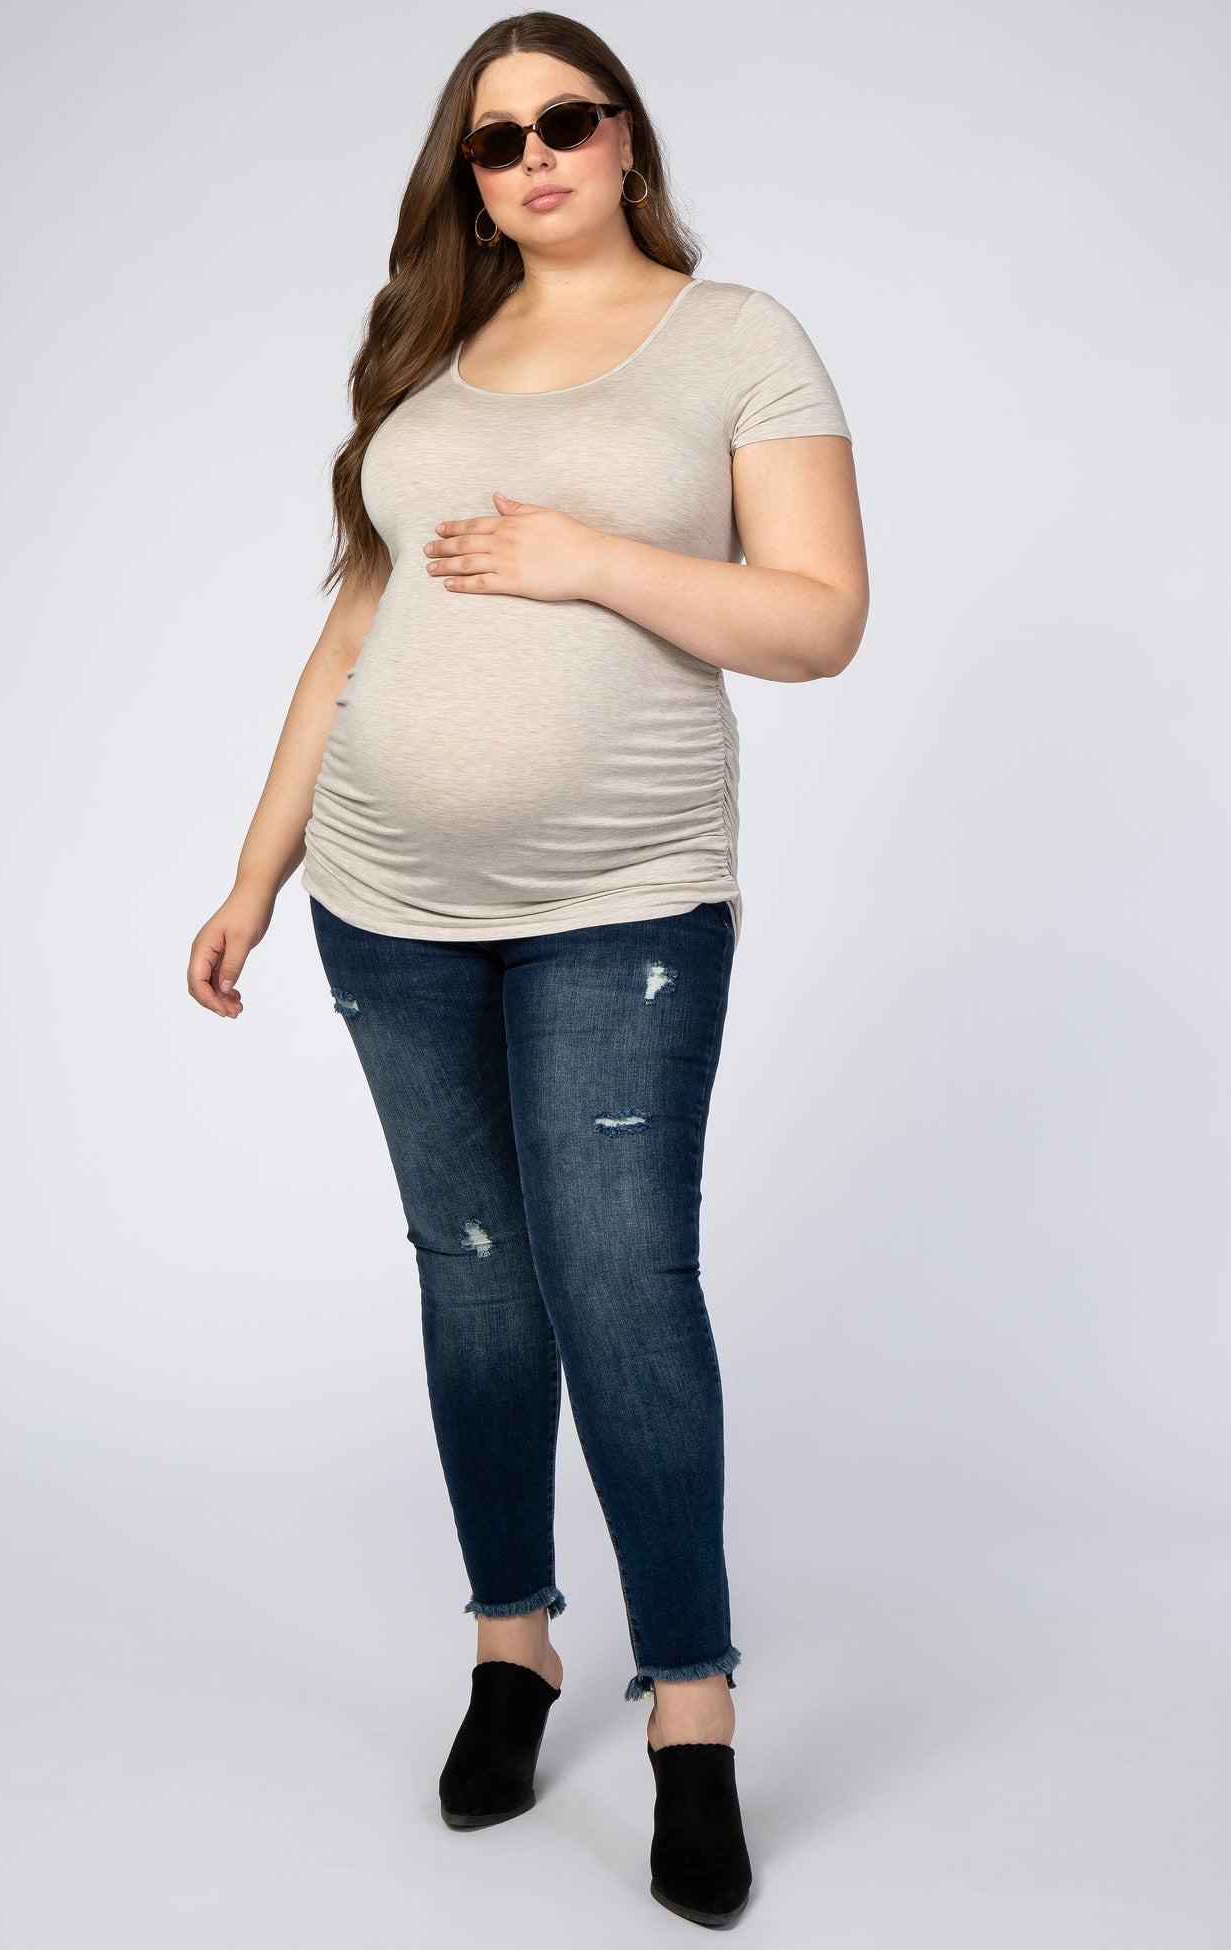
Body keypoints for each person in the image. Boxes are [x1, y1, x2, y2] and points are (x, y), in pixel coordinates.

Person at [187, 10, 868, 1928]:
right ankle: (513, 1645)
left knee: (623, 1290)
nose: (536, 156)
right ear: (467, 179)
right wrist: (255, 870)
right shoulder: (433, 354)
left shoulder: (737, 340)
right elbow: (351, 638)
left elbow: (819, 619)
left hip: (623, 899)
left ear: (627, 137)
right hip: (385, 902)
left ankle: (692, 1713)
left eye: (567, 119)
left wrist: (591, 558)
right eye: (495, 140)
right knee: (475, 1281)